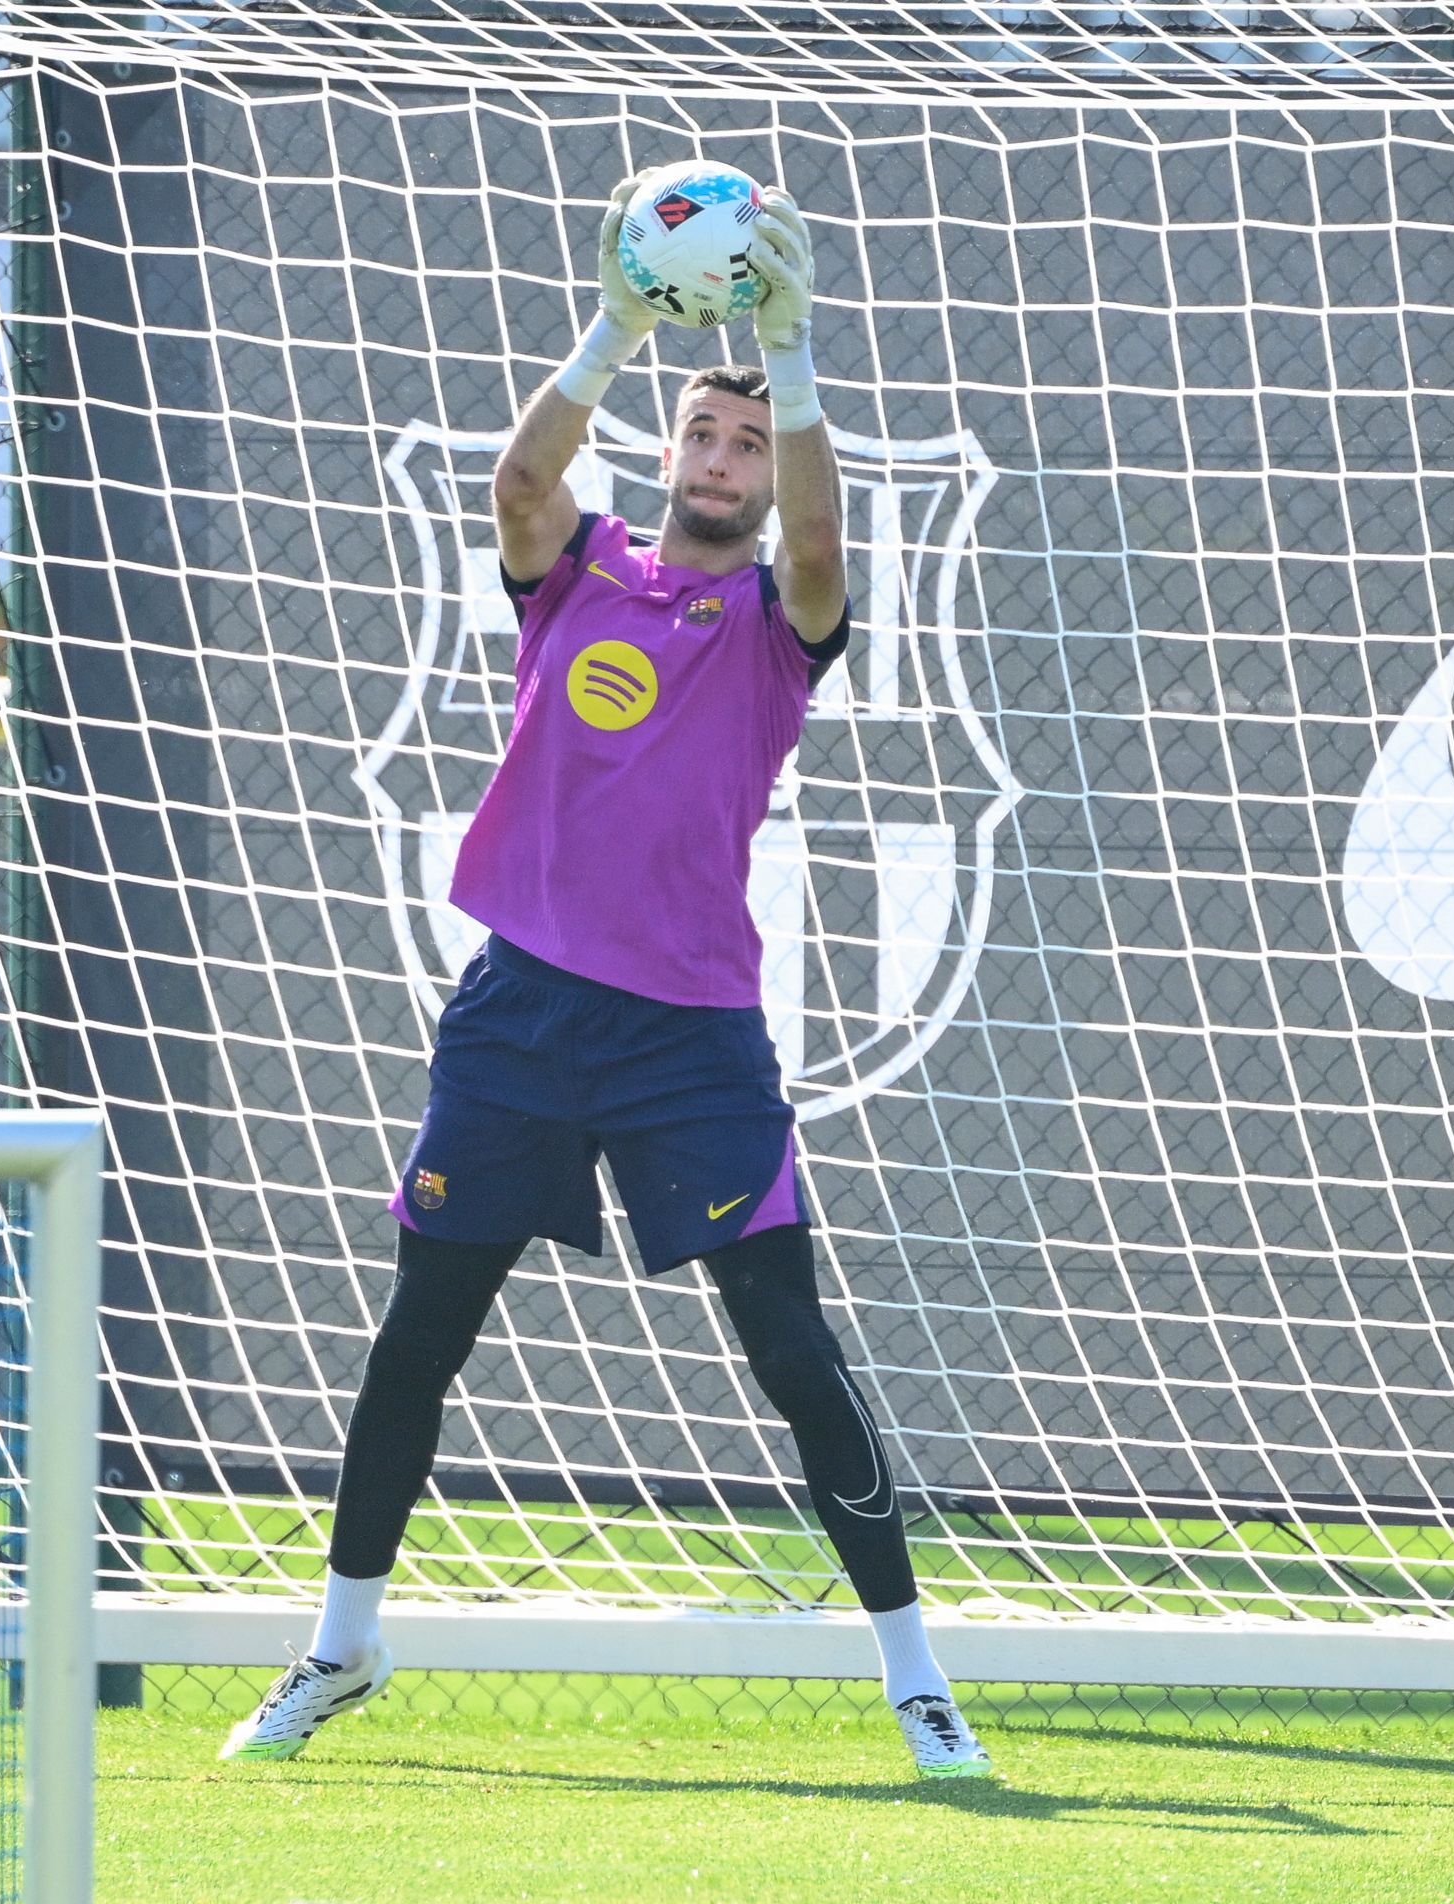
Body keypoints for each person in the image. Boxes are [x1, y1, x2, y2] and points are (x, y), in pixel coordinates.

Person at [222, 178, 989, 1779]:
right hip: (518, 1014)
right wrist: (617, 326)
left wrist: (792, 351)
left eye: (744, 447)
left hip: (691, 1036)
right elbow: (516, 476)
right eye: (702, 437)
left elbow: (832, 535)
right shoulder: (577, 572)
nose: (720, 462)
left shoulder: (782, 618)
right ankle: (338, 1649)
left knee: (790, 1345)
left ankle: (917, 1680)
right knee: (421, 1332)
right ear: (669, 452)